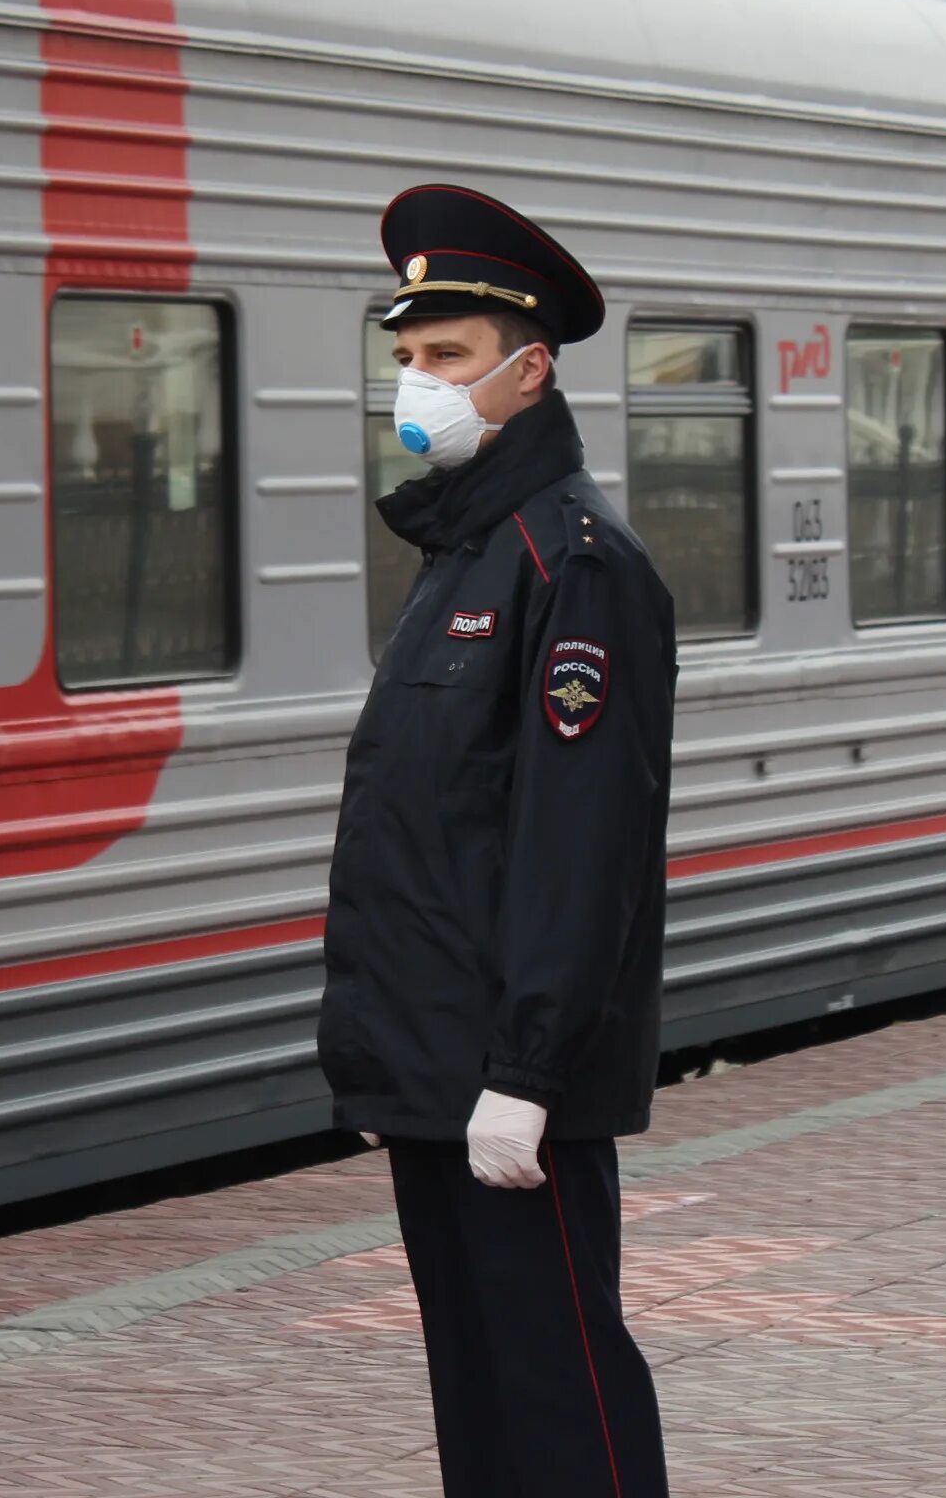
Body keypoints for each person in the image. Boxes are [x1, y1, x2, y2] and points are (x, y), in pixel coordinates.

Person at [319, 183, 678, 1497]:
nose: (419, 382)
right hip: (436, 1065)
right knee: (477, 1393)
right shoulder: (465, 554)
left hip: (506, 1080)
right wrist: (388, 1058)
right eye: (409, 357)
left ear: (527, 371)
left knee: (559, 1387)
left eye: (450, 356)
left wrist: (526, 1070)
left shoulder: (571, 564)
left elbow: (579, 844)